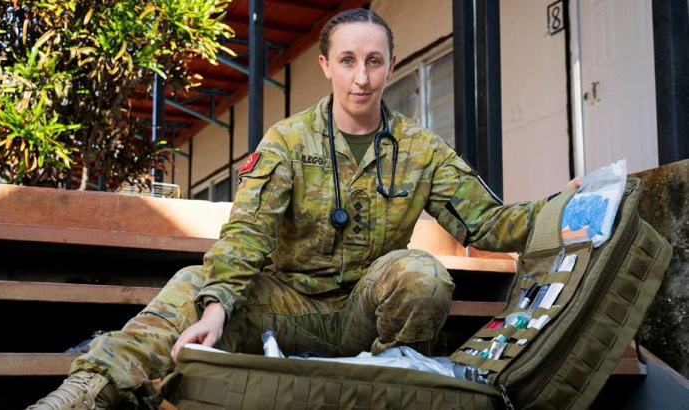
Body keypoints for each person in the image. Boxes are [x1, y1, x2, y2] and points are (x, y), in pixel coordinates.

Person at [29, 8, 579, 410]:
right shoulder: (289, 141)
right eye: (347, 61)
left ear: (390, 66)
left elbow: (487, 221)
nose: (360, 77)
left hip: (363, 310)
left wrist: (563, 208)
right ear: (325, 65)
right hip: (285, 304)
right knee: (192, 282)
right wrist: (218, 304)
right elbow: (248, 231)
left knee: (421, 273)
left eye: (373, 61)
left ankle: (392, 393)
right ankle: (84, 394)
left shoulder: (421, 149)